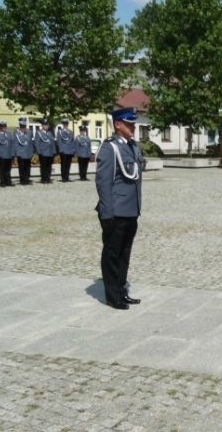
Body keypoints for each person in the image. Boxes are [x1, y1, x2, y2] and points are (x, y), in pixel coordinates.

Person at [95, 107, 145, 310]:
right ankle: (112, 296)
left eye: (133, 123)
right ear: (117, 124)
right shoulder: (109, 148)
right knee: (112, 254)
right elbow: (103, 183)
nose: (133, 126)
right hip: (115, 211)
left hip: (131, 210)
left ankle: (122, 290)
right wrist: (107, 213)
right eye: (129, 123)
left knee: (125, 253)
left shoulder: (133, 146)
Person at [0, 121, 15, 187]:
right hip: (2, 155)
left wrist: (13, 154)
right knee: (2, 169)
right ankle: (2, 182)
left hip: (9, 155)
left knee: (8, 169)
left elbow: (12, 145)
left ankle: (8, 181)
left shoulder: (9, 134)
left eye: (4, 126)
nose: (3, 128)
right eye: (2, 126)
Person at [34, 119, 56, 184]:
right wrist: (39, 152)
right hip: (43, 153)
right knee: (43, 167)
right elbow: (36, 143)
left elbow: (52, 143)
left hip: (50, 153)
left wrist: (54, 151)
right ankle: (43, 179)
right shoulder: (38, 133)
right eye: (44, 125)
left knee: (49, 167)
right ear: (42, 125)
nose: (46, 126)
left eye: (46, 125)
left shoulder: (50, 133)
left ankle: (48, 178)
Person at [13, 117, 34, 185]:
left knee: (28, 168)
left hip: (28, 153)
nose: (23, 127)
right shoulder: (16, 133)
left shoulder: (29, 132)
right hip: (20, 153)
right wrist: (16, 154)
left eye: (24, 126)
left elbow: (31, 143)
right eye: (21, 126)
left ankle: (27, 179)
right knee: (21, 168)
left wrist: (31, 152)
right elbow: (15, 143)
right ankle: (22, 180)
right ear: (19, 125)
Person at [56, 117, 76, 182]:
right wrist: (61, 150)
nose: (65, 125)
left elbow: (73, 142)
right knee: (63, 165)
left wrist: (73, 150)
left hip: (70, 151)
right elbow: (59, 142)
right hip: (64, 151)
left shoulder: (71, 132)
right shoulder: (60, 132)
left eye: (66, 124)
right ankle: (63, 178)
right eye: (64, 124)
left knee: (68, 165)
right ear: (62, 124)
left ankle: (67, 177)